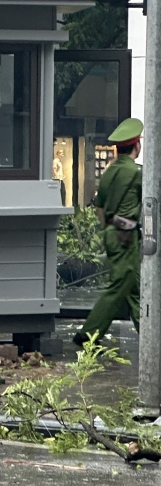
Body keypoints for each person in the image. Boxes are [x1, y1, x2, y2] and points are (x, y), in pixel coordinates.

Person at [76, 117, 144, 346]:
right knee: (118, 286)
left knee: (134, 288)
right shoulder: (136, 173)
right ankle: (88, 333)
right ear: (137, 146)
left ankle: (147, 330)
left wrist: (109, 229)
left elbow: (99, 206)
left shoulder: (109, 171)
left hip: (112, 233)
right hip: (127, 237)